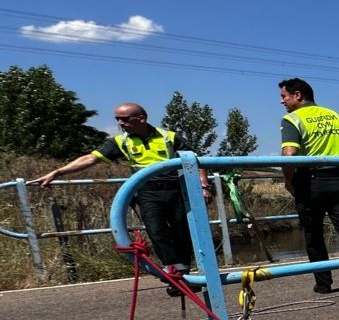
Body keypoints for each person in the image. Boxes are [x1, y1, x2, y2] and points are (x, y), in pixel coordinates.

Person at [31, 102, 211, 297]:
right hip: (147, 191)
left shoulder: (169, 137)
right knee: (157, 232)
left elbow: (195, 159)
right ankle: (175, 276)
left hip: (176, 189)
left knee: (181, 231)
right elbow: (91, 158)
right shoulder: (120, 142)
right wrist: (58, 172)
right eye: (117, 119)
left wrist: (203, 186)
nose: (120, 123)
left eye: (124, 119)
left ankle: (183, 275)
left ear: (141, 119)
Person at [278, 78, 339, 299]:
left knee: (313, 234)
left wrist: (288, 181)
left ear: (298, 96)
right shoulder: (336, 116)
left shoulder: (292, 119)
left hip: (310, 181)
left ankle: (323, 283)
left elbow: (289, 154)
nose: (282, 101)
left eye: (284, 96)